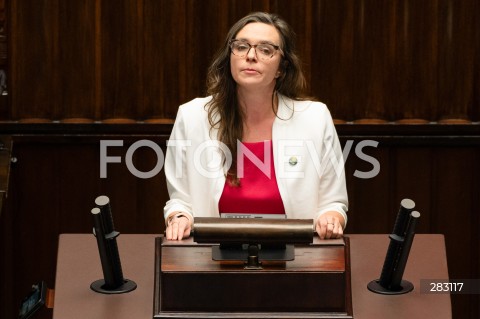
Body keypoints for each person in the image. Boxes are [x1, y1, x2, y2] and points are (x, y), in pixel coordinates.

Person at [164, 12, 348, 241]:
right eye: (241, 47)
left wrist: (330, 219)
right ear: (230, 56)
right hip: (212, 259)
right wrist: (179, 217)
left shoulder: (315, 118)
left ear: (282, 67)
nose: (251, 56)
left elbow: (332, 203)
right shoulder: (192, 116)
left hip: (297, 260)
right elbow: (180, 201)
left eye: (266, 49)